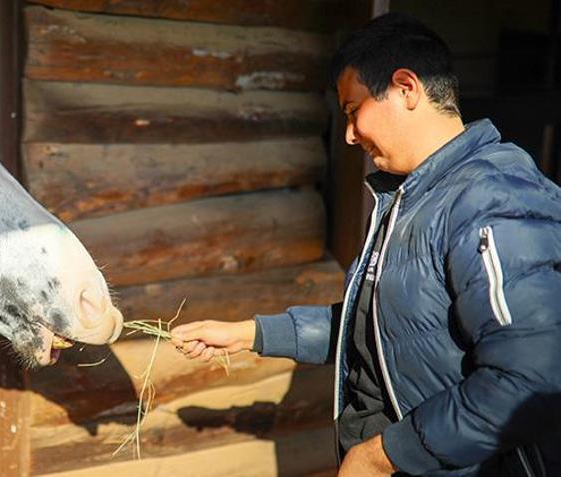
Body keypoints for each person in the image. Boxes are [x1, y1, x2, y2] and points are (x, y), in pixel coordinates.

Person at [171, 12, 561, 477]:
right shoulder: (411, 196)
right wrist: (247, 334)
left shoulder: (493, 197)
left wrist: (382, 455)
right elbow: (378, 328)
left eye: (354, 110)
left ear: (405, 88)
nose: (350, 134)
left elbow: (532, 377)